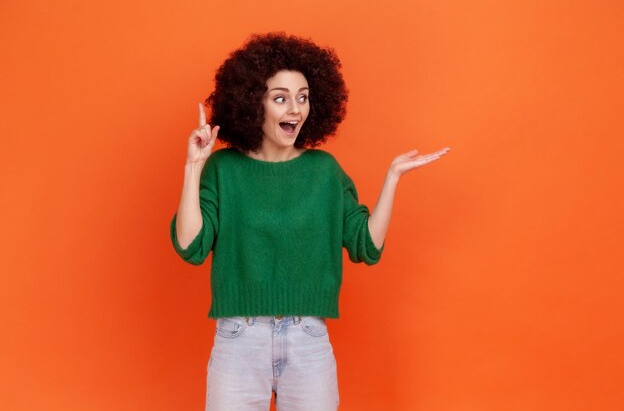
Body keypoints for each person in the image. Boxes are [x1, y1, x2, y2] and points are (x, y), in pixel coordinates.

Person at [170, 32, 450, 411]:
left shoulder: (324, 172)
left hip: (307, 339)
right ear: (254, 103)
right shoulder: (224, 169)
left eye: (302, 97)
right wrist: (193, 167)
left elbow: (367, 247)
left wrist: (392, 178)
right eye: (280, 98)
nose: (295, 109)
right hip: (239, 339)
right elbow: (190, 246)